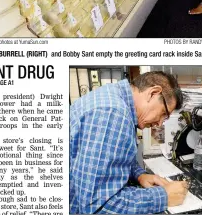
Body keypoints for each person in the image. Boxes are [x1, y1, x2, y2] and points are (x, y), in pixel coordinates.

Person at [70, 72, 188, 214]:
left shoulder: (115, 98)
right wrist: (163, 197)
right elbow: (97, 206)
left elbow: (115, 159)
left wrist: (139, 174)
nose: (159, 123)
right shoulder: (112, 114)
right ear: (153, 93)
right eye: (164, 113)